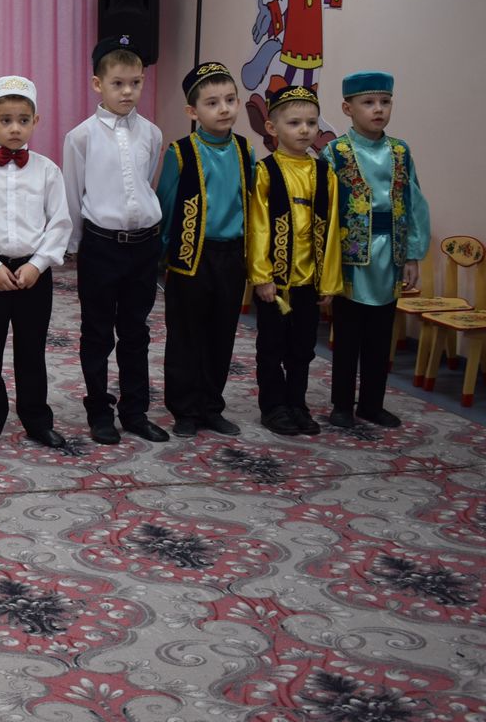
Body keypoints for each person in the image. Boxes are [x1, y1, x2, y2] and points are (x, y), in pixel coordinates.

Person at [62, 36, 169, 445]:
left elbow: (146, 184)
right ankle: (99, 411)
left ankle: (135, 411)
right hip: (101, 247)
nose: (128, 92)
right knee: (97, 332)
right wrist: (74, 245)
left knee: (136, 330)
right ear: (98, 85)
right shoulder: (81, 137)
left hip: (143, 246)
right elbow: (73, 193)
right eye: (118, 83)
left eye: (136, 83)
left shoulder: (152, 134)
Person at [0, 76, 70, 451]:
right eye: (6, 120)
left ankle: (37, 420)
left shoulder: (48, 171)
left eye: (23, 119)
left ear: (36, 121)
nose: (15, 128)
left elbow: (60, 224)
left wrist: (38, 264)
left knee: (32, 350)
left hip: (35, 274)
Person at [154, 62, 256, 438]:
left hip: (232, 256)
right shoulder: (181, 152)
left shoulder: (245, 150)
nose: (223, 109)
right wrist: (162, 257)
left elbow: (252, 204)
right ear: (192, 111)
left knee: (221, 333)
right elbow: (165, 206)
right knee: (186, 334)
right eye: (212, 103)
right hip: (190, 257)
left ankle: (211, 406)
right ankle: (184, 409)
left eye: (230, 100)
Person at [323, 71, 429, 429]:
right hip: (350, 258)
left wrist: (412, 253)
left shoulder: (400, 151)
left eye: (385, 102)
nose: (378, 109)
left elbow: (414, 202)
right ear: (348, 108)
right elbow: (324, 208)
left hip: (390, 255)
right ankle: (341, 404)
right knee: (347, 334)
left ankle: (372, 403)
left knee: (382, 336)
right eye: (368, 102)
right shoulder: (335, 152)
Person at [247, 81, 343, 436]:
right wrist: (262, 275)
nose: (305, 130)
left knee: (303, 348)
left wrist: (329, 281)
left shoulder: (325, 173)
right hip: (276, 282)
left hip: (309, 281)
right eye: (294, 123)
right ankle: (273, 407)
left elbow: (332, 230)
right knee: (272, 346)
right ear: (272, 127)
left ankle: (297, 404)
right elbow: (258, 225)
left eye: (311, 123)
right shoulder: (265, 171)